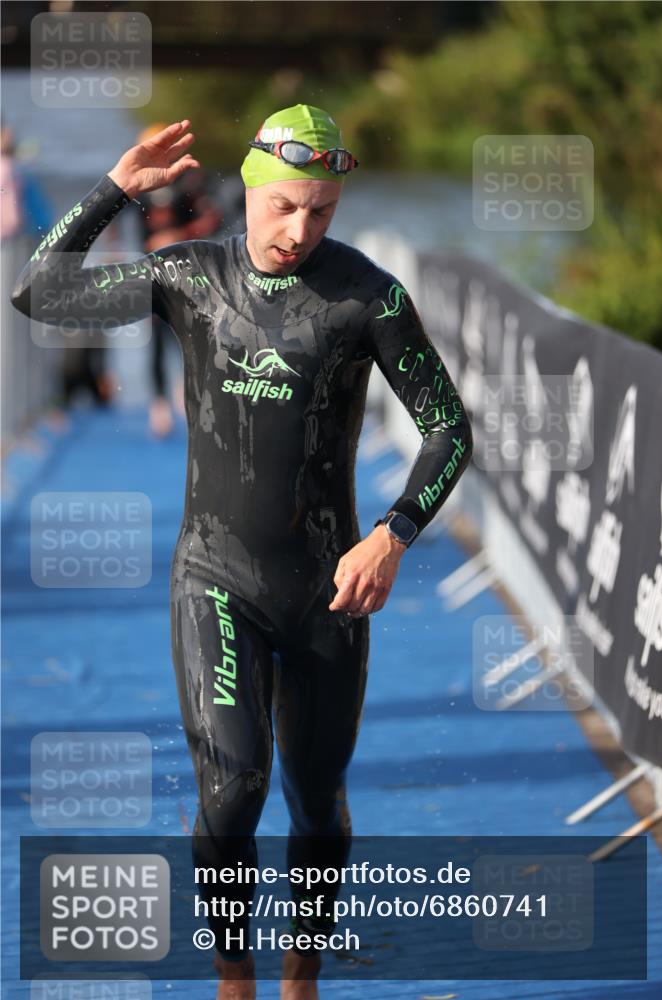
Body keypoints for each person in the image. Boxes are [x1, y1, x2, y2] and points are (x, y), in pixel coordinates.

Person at [11, 106, 473, 1000]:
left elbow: (446, 428)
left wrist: (394, 533)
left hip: (328, 591)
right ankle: (235, 977)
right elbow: (38, 292)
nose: (300, 231)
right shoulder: (190, 275)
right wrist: (115, 188)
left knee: (314, 798)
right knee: (233, 787)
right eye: (286, 206)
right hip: (213, 577)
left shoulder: (365, 297)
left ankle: (300, 970)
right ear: (250, 190)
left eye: (323, 212)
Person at [133, 123, 224, 435]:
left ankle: (187, 393)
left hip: (190, 275)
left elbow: (214, 220)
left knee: (191, 335)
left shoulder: (189, 182)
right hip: (154, 272)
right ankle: (159, 405)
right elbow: (130, 228)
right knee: (156, 338)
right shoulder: (139, 188)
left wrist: (179, 235)